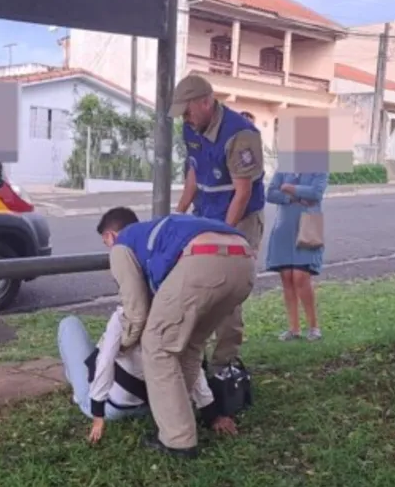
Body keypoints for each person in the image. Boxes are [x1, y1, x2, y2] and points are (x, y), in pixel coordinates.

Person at [98, 207, 255, 458]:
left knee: (157, 345)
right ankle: (186, 415)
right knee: (190, 345)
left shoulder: (121, 245)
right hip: (244, 261)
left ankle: (178, 440)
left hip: (203, 261)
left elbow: (136, 312)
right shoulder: (159, 235)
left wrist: (124, 344)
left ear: (109, 237)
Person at [171, 75, 265, 375]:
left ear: (206, 102)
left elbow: (243, 192)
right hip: (206, 216)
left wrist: (225, 235)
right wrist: (179, 213)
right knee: (198, 284)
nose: (185, 119)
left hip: (240, 220)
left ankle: (223, 364)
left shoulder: (241, 134)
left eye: (188, 111)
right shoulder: (190, 127)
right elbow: (194, 173)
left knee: (228, 288)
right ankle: (193, 359)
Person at [57, 309, 238, 445]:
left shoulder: (125, 314)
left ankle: (79, 394)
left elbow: (104, 362)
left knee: (69, 324)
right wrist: (212, 414)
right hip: (154, 407)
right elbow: (192, 367)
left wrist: (97, 413)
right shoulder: (179, 316)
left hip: (112, 407)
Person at [266, 171, 328, 341]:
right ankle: (294, 328)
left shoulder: (318, 168)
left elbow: (316, 193)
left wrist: (289, 188)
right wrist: (293, 197)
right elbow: (271, 194)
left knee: (301, 276)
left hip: (307, 227)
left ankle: (313, 327)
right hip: (284, 228)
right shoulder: (283, 169)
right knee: (286, 277)